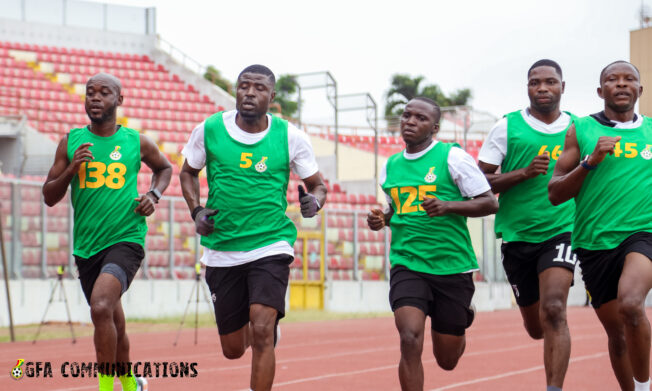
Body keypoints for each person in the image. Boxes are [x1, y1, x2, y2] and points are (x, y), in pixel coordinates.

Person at [179, 64, 326, 391]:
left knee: (261, 330)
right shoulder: (210, 129)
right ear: (236, 90)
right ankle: (266, 325)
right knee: (233, 349)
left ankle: (267, 326)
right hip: (222, 250)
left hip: (271, 245)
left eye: (259, 88)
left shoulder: (290, 136)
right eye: (244, 86)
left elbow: (318, 185)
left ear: (272, 96)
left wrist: (314, 202)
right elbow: (187, 172)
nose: (249, 92)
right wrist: (196, 211)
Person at [42, 73, 172, 391]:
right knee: (113, 320)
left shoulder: (134, 141)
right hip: (87, 246)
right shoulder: (70, 142)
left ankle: (105, 387)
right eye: (90, 93)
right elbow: (48, 195)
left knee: (100, 307)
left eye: (104, 93)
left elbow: (165, 168)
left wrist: (153, 195)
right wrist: (72, 169)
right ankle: (131, 384)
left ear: (119, 100)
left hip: (126, 239)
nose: (96, 98)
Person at [367, 97, 498, 391]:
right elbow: (395, 211)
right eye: (406, 115)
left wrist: (448, 206)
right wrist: (382, 220)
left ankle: (463, 316)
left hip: (451, 265)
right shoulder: (391, 166)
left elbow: (490, 203)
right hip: (407, 263)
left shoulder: (453, 158)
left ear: (435, 127)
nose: (410, 121)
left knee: (447, 359)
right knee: (409, 338)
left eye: (420, 118)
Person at [549, 60, 652, 391]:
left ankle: (644, 384)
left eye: (628, 79)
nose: (621, 84)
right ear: (600, 90)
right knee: (617, 333)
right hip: (594, 242)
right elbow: (555, 192)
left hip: (642, 234)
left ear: (639, 89)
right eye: (612, 79)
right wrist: (589, 162)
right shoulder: (581, 129)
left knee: (632, 304)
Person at [477, 59, 576, 391]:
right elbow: (479, 184)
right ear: (528, 88)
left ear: (563, 86)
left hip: (562, 229)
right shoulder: (506, 127)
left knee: (554, 309)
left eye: (550, 82)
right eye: (535, 82)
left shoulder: (580, 128)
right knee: (536, 326)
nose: (543, 88)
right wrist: (523, 173)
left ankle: (554, 387)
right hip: (518, 236)